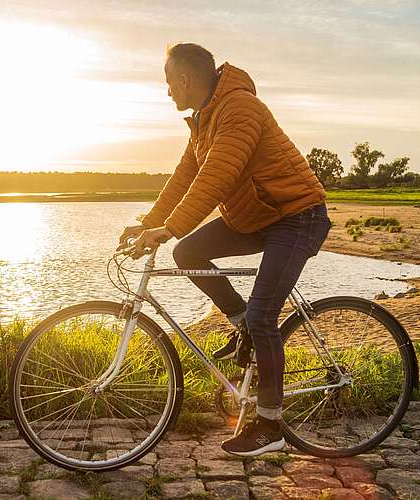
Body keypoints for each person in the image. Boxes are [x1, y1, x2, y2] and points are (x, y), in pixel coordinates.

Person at [118, 43, 331, 457]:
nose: (167, 93)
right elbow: (185, 177)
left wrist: (170, 228)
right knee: (188, 254)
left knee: (264, 315)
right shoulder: (204, 119)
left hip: (296, 215)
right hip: (256, 217)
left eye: (168, 83)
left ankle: (270, 425)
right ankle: (243, 328)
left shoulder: (240, 109)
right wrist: (149, 222)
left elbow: (216, 176)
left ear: (184, 79)